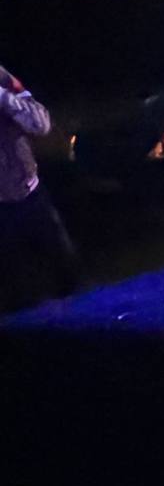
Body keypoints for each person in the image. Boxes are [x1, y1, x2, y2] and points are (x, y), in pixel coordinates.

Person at [0, 64, 79, 313]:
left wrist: (3, 98)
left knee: (67, 273)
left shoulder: (2, 78)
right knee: (17, 291)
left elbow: (41, 124)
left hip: (32, 195)